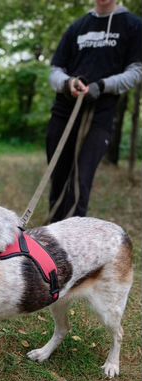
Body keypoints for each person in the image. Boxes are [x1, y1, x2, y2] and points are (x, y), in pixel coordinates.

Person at [46, 0, 142, 223]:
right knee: (58, 176)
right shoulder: (77, 26)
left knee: (81, 180)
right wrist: (68, 83)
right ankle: (53, 234)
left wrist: (102, 85)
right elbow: (55, 71)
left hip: (100, 115)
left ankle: (74, 239)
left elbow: (136, 72)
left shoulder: (133, 26)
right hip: (64, 111)